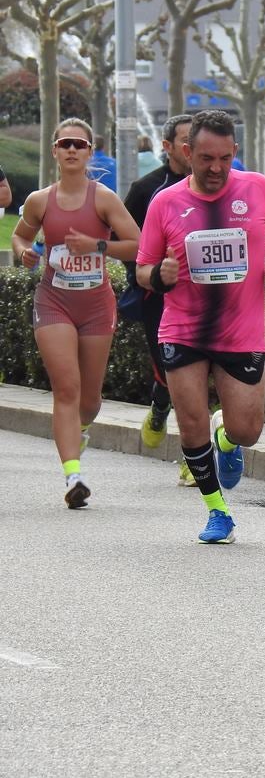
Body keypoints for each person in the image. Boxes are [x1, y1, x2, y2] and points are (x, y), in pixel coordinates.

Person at [136, 109, 265, 544]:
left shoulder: (258, 188)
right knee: (191, 424)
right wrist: (159, 275)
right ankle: (217, 511)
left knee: (249, 430)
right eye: (206, 158)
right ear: (188, 153)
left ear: (234, 153)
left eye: (225, 158)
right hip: (182, 328)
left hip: (239, 330)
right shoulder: (165, 202)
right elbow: (142, 268)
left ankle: (228, 441)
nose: (216, 168)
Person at [9, 118, 140, 508]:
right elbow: (20, 235)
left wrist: (96, 246)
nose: (71, 150)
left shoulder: (103, 198)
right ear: (54, 150)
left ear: (88, 152)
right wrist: (24, 252)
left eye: (78, 145)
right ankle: (73, 476)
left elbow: (136, 244)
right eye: (64, 143)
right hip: (54, 302)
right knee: (66, 388)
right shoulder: (39, 200)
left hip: (96, 305)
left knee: (90, 399)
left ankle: (78, 430)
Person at [123, 114, 194, 479]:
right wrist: (152, 275)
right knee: (172, 373)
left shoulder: (219, 186)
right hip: (159, 297)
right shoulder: (145, 189)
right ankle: (160, 404)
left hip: (206, 297)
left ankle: (192, 456)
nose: (191, 148)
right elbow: (128, 246)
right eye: (184, 141)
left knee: (199, 374)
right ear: (167, 147)